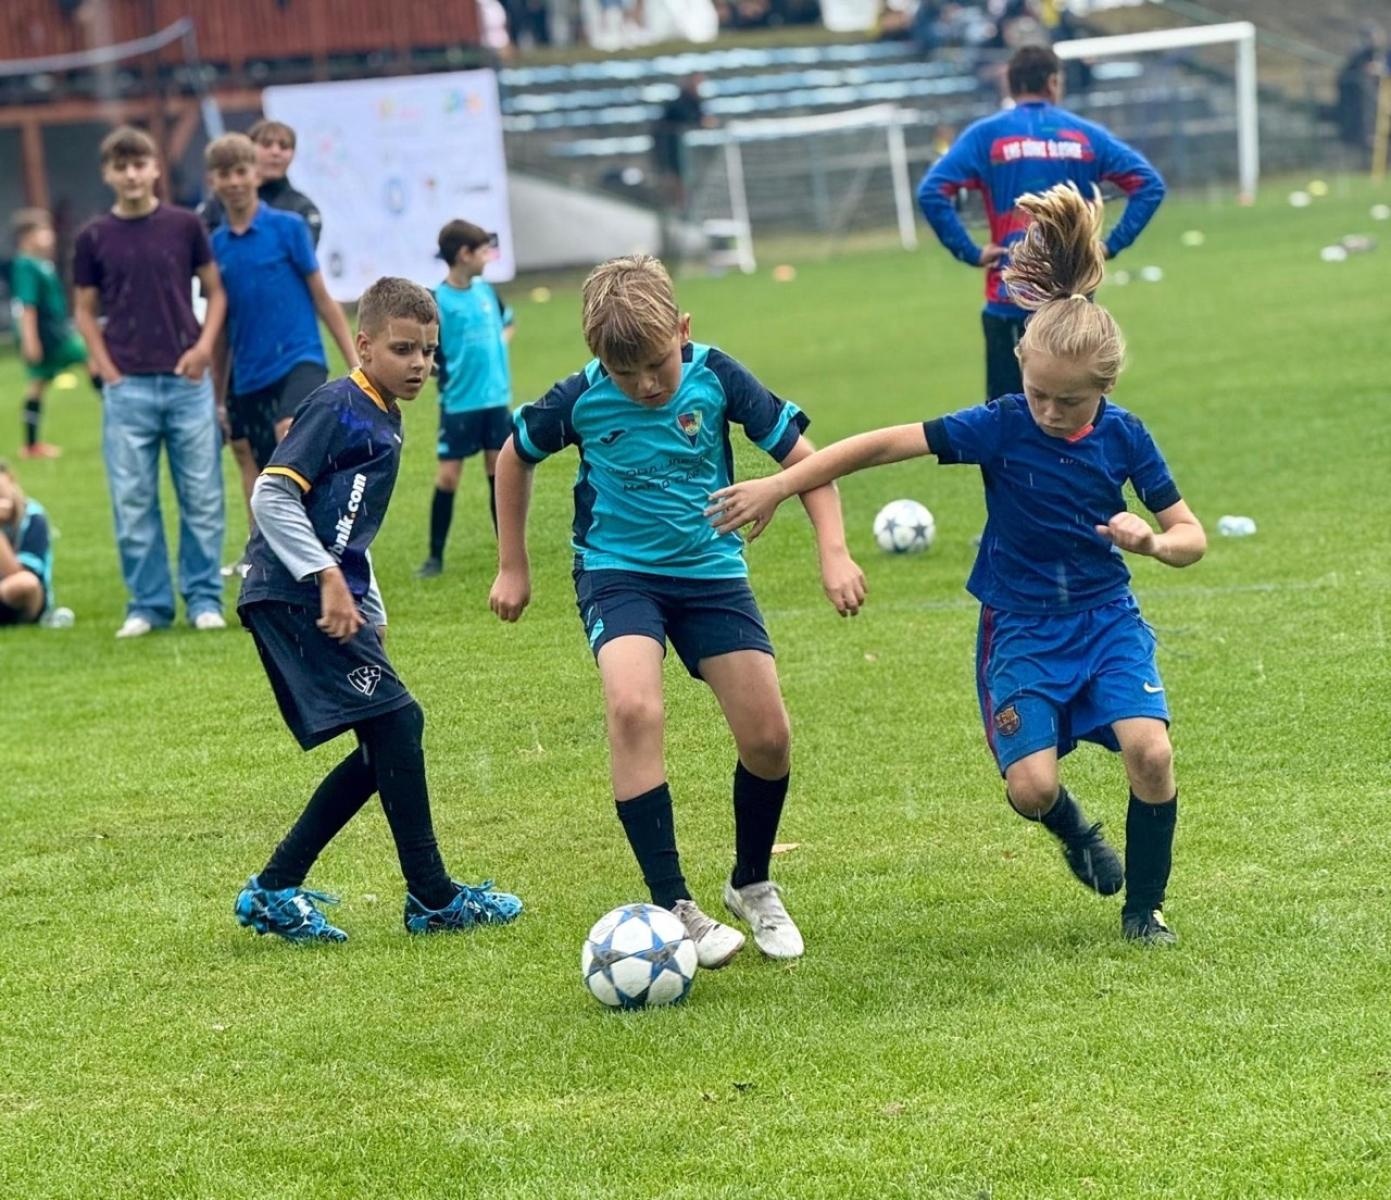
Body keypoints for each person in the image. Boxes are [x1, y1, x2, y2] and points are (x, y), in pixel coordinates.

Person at [709, 184, 1204, 945]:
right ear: (1019, 369)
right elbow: (879, 444)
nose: (1046, 412)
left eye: (1066, 403)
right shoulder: (1000, 426)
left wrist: (1151, 543)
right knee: (1030, 788)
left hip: (1106, 620)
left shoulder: (1126, 436)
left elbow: (1189, 536)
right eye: (1035, 393)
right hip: (1021, 627)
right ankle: (1073, 828)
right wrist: (781, 481)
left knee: (1152, 750)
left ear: (1104, 389)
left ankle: (1144, 910)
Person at [490, 254, 865, 966]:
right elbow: (515, 455)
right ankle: (674, 905)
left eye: (657, 364)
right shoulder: (580, 397)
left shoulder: (717, 377)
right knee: (633, 707)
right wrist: (514, 564)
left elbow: (807, 461)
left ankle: (750, 884)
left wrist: (833, 551)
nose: (645, 385)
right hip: (617, 573)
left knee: (768, 740)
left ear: (682, 330)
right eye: (624, 373)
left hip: (711, 575)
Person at [234, 276, 523, 944]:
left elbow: (349, 528)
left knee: (387, 735)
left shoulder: (383, 418)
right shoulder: (338, 405)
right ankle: (429, 897)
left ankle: (282, 888)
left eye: (428, 351)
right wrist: (328, 579)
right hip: (289, 593)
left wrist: (365, 600)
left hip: (322, 591)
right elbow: (273, 497)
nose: (419, 364)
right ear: (363, 345)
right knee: (397, 723)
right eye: (403, 349)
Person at [918, 43, 1165, 401]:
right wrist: (1108, 245)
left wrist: (969, 251)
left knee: (1006, 415)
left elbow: (932, 192)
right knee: (1075, 404)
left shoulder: (987, 135)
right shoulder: (1082, 135)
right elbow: (1148, 185)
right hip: (1071, 293)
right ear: (1053, 82)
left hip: (1010, 294)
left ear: (1011, 85)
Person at [72, 125, 228, 639]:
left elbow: (215, 292)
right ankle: (149, 604)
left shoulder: (184, 225)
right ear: (108, 174)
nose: (132, 174)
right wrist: (106, 370)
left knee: (202, 496)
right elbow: (84, 310)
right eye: (121, 166)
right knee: (133, 499)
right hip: (128, 388)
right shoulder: (93, 236)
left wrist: (204, 349)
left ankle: (204, 598)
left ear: (156, 168)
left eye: (140, 164)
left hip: (186, 381)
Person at [204, 133, 357, 574]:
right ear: (213, 182)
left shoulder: (288, 227)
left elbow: (321, 297)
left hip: (299, 357)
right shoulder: (215, 247)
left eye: (241, 171)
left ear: (255, 174)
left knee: (292, 431)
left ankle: (326, 544)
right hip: (249, 373)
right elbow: (220, 328)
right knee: (256, 465)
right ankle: (264, 555)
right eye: (224, 174)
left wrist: (353, 360)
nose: (234, 182)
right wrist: (217, 393)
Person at [416, 219, 514, 579]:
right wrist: (435, 369)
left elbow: (509, 321)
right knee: (448, 478)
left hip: (495, 400)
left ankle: (507, 552)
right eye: (483, 252)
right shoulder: (438, 301)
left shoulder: (487, 293)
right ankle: (434, 557)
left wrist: (498, 346)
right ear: (464, 255)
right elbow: (428, 348)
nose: (488, 258)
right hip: (459, 403)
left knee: (498, 472)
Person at [10, 209, 92, 460]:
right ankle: (127, 420)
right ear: (27, 237)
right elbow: (27, 307)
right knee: (96, 360)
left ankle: (32, 445)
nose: (50, 236)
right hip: (50, 337)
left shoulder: (41, 264)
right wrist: (30, 340)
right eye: (43, 232)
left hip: (55, 333)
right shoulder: (25, 266)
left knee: (38, 386)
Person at [199, 119, 323, 246]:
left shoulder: (302, 208)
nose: (275, 152)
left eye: (284, 146)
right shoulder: (218, 204)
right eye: (266, 144)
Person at [0, 461, 61, 626]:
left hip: (20, 597)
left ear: (10, 480)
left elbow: (18, 574)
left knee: (25, 583)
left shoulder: (33, 517)